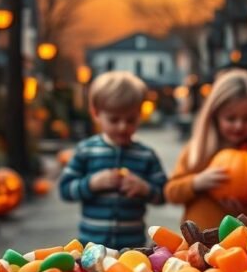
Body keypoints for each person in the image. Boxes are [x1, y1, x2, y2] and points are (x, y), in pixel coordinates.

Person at [59, 70, 167, 249]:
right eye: (114, 120)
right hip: (91, 246)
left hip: (132, 248)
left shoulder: (146, 155)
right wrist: (91, 183)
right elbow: (65, 189)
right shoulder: (86, 150)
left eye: (131, 120)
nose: (123, 127)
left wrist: (145, 188)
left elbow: (163, 194)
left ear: (140, 114)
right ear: (96, 113)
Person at [165, 69, 247, 229]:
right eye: (231, 118)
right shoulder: (198, 150)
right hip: (199, 238)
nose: (239, 125)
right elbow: (171, 192)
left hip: (241, 240)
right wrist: (196, 182)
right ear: (215, 115)